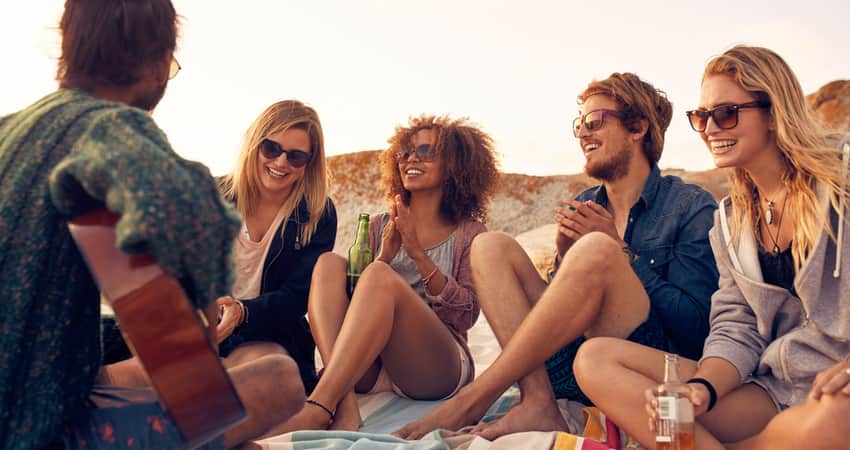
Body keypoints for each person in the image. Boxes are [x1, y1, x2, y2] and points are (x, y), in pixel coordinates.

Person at [0, 1, 303, 449]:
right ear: (159, 61)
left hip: (28, 395)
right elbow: (180, 364)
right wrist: (200, 313)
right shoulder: (113, 130)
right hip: (37, 432)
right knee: (278, 379)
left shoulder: (11, 132)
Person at [396, 73, 719, 440]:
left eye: (595, 121)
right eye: (579, 124)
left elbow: (697, 327)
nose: (583, 133)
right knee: (491, 246)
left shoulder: (690, 206)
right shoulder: (584, 205)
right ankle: (538, 402)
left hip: (636, 368)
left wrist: (620, 253)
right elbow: (556, 318)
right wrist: (566, 262)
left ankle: (474, 397)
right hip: (572, 368)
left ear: (638, 127)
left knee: (599, 249)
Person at [573, 45, 850, 450]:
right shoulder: (731, 220)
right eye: (700, 117)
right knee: (595, 359)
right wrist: (701, 389)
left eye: (725, 114)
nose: (709, 129)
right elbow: (735, 326)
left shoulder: (839, 180)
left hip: (837, 391)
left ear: (774, 112)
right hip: (771, 390)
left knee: (835, 419)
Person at [265, 115, 499, 434]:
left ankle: (318, 405)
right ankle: (343, 400)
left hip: (435, 369)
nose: (411, 158)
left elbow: (466, 315)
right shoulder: (378, 225)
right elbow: (356, 302)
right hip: (371, 365)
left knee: (378, 275)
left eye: (427, 151)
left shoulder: (468, 234)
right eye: (405, 151)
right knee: (329, 264)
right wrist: (387, 255)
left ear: (455, 165)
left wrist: (416, 253)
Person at [216, 100, 337, 395]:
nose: (281, 163)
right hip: (206, 326)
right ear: (255, 145)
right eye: (271, 149)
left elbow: (297, 297)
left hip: (276, 336)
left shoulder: (319, 213)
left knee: (262, 375)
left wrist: (243, 313)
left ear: (309, 163)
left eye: (295, 157)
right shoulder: (212, 195)